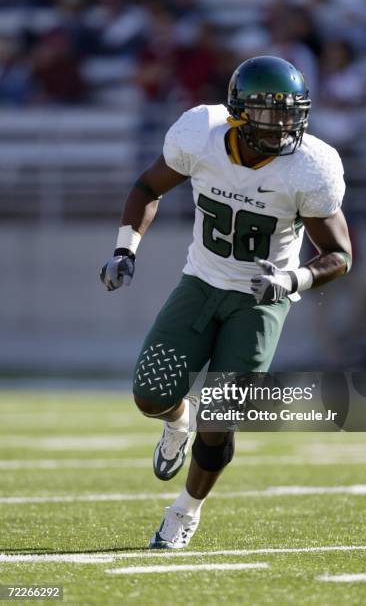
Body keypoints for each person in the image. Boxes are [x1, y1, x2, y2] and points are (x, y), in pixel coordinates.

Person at [100, 55, 352, 549]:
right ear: (238, 112)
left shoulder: (312, 165)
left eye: (290, 114)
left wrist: (291, 280)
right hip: (201, 281)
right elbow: (147, 186)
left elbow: (339, 254)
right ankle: (177, 424)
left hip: (262, 299)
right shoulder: (201, 132)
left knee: (222, 418)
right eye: (268, 114)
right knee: (151, 395)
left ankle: (184, 512)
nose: (282, 127)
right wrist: (124, 250)